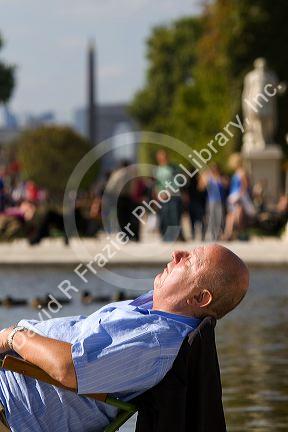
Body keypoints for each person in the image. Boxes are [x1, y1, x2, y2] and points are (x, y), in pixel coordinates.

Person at [0, 244, 249, 432]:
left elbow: (68, 368)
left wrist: (12, 337)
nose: (177, 253)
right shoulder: (153, 313)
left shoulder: (154, 341)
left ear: (199, 298)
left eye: (190, 260)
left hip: (9, 408)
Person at [223, 154, 255, 241]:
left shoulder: (241, 172)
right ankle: (230, 234)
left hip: (237, 196)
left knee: (236, 216)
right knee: (232, 216)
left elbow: (245, 185)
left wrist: (239, 195)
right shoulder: (238, 172)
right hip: (235, 196)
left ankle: (231, 234)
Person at [155, 150, 184, 242]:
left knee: (174, 217)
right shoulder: (158, 169)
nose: (163, 158)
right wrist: (158, 193)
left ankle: (176, 236)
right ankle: (166, 236)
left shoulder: (174, 168)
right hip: (162, 196)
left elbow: (179, 181)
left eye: (165, 156)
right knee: (164, 217)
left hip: (173, 195)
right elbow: (157, 183)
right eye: (161, 157)